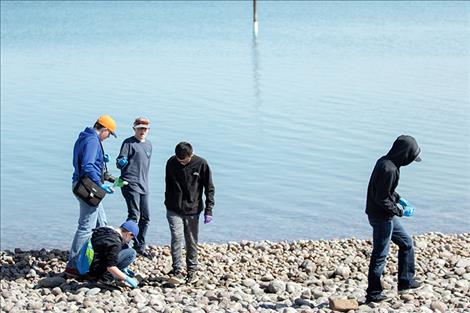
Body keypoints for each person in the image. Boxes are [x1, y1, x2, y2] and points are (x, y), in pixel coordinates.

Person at [365, 135, 422, 303]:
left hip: (385, 214)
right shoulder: (388, 169)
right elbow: (381, 198)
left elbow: (386, 191)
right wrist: (400, 211)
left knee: (406, 243)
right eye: (411, 157)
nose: (411, 161)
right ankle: (373, 294)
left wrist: (400, 199)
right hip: (381, 217)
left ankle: (406, 281)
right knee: (380, 255)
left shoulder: (387, 162)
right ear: (404, 154)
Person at [66, 115, 117, 275]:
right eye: (109, 134)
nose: (108, 137)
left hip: (84, 185)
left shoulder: (85, 137)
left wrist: (102, 162)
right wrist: (100, 184)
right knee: (86, 227)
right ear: (105, 129)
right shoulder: (92, 141)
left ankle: (101, 261)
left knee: (102, 224)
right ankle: (73, 265)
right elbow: (87, 165)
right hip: (88, 187)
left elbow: (88, 162)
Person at [165, 142, 215, 284]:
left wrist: (209, 209)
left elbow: (209, 188)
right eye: (179, 160)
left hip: (193, 209)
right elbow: (168, 184)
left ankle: (192, 271)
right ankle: (177, 270)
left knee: (191, 240)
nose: (181, 163)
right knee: (176, 237)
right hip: (173, 208)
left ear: (191, 155)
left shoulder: (201, 164)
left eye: (184, 161)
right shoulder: (171, 162)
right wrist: (168, 201)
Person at [116, 117, 153, 257]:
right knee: (133, 215)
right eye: (140, 128)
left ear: (148, 130)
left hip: (144, 185)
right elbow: (119, 162)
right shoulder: (128, 143)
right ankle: (120, 244)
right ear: (134, 129)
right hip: (129, 183)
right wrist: (121, 162)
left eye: (145, 128)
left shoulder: (149, 145)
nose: (142, 131)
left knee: (146, 217)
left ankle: (139, 246)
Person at [87, 220, 140, 288]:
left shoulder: (104, 231)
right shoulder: (115, 243)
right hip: (96, 271)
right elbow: (111, 267)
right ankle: (105, 278)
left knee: (125, 247)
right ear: (128, 234)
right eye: (131, 238)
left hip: (89, 266)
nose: (129, 241)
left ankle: (110, 274)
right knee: (131, 253)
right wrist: (127, 279)